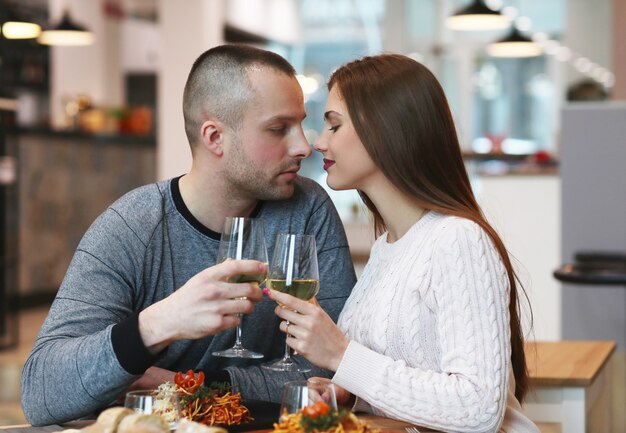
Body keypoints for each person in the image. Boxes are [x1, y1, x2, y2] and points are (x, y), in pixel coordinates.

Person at [21, 45, 356, 426]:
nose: (302, 145)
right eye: (279, 129)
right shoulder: (132, 226)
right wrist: (157, 324)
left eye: (300, 124)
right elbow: (41, 392)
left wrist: (185, 384)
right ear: (214, 137)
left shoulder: (308, 209)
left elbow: (334, 375)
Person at [267, 54, 540, 432]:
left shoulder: (458, 240)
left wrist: (343, 355)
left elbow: (478, 409)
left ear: (384, 129)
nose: (319, 143)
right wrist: (351, 395)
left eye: (334, 125)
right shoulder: (388, 248)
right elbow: (416, 379)